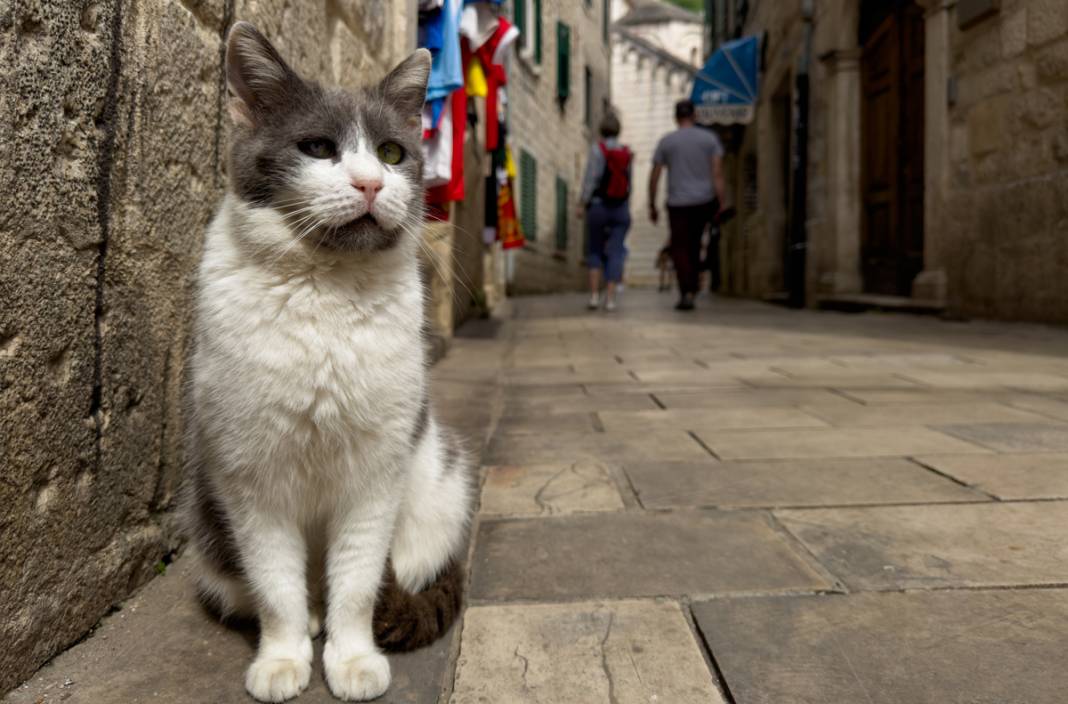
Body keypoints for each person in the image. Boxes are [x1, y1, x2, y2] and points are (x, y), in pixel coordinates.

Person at [648, 99, 729, 310]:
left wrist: (652, 204)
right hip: (704, 201)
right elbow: (717, 174)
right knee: (695, 244)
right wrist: (722, 201)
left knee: (680, 247)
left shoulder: (666, 142)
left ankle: (687, 291)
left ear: (676, 118)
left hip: (678, 203)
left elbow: (654, 176)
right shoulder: (710, 139)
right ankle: (692, 287)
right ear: (694, 116)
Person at [578, 112, 633, 312]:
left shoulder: (596, 150)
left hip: (599, 206)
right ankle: (610, 299)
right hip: (620, 208)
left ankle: (593, 296)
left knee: (595, 248)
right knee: (616, 252)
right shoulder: (626, 152)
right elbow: (629, 184)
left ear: (601, 130)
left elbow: (590, 179)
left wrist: (582, 203)